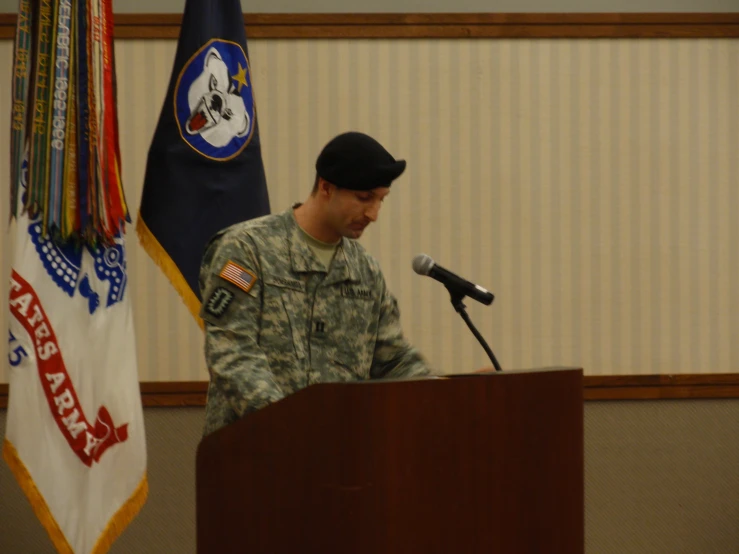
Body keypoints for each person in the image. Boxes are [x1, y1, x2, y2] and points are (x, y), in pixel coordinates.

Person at [198, 131, 432, 435]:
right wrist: (291, 426)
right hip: (254, 451)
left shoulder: (364, 270)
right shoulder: (247, 249)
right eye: (364, 198)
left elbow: (392, 360)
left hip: (339, 456)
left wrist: (442, 393)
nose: (373, 214)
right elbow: (232, 353)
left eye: (380, 200)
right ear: (326, 187)